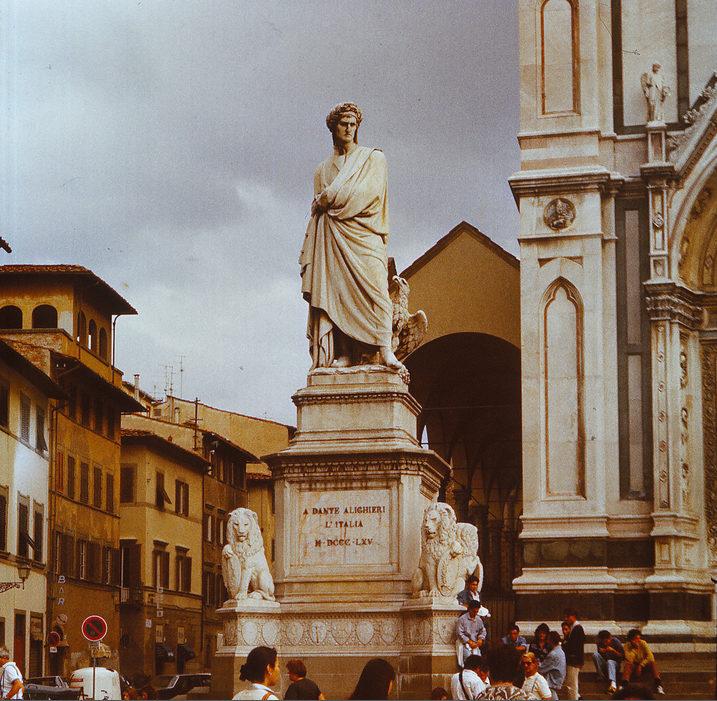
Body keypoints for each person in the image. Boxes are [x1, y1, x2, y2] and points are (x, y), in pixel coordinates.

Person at [299, 101, 403, 373]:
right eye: (343, 124)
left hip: (366, 234)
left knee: (377, 290)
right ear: (333, 129)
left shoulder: (373, 159)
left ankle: (384, 349)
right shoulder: (322, 170)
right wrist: (325, 201)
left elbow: (370, 194)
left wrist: (329, 198)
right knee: (337, 293)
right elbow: (317, 209)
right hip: (334, 238)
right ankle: (345, 352)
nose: (348, 128)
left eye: (352, 124)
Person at [621, 629, 664, 696]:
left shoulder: (643, 643)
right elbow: (629, 659)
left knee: (652, 663)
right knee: (628, 665)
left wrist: (641, 665)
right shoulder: (626, 646)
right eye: (636, 639)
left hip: (644, 664)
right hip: (634, 665)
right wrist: (634, 649)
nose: (638, 640)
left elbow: (650, 656)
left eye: (639, 638)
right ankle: (624, 685)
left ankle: (659, 685)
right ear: (631, 639)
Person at [561, 609, 584, 701]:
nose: (566, 619)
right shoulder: (574, 628)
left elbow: (577, 647)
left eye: (567, 616)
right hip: (572, 661)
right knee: (571, 684)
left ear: (573, 616)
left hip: (574, 661)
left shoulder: (577, 629)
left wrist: (579, 661)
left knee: (572, 685)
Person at [592, 629, 624, 694]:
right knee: (595, 655)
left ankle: (613, 684)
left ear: (610, 638)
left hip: (615, 665)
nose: (605, 643)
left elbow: (622, 657)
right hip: (605, 664)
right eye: (603, 641)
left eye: (606, 641)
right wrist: (602, 652)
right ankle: (601, 676)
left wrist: (613, 651)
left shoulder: (616, 642)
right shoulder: (599, 642)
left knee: (610, 661)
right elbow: (600, 656)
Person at [457, 600, 488, 665]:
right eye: (474, 611)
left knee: (479, 660)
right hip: (465, 644)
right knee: (469, 659)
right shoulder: (462, 619)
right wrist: (469, 642)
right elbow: (460, 633)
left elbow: (483, 631)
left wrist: (480, 639)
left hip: (475, 644)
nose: (475, 613)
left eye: (477, 611)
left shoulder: (478, 619)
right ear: (469, 609)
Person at [538, 631, 566, 701]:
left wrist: (536, 662)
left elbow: (541, 668)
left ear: (551, 641)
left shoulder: (553, 654)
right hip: (557, 678)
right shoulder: (560, 651)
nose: (547, 642)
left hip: (552, 680)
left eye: (548, 640)